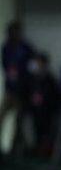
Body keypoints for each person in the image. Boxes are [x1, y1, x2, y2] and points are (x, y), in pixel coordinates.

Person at [1, 21, 36, 160]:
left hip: (22, 91)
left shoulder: (25, 47)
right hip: (10, 90)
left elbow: (31, 66)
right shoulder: (7, 47)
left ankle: (17, 150)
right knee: (2, 117)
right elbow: (6, 66)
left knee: (19, 121)